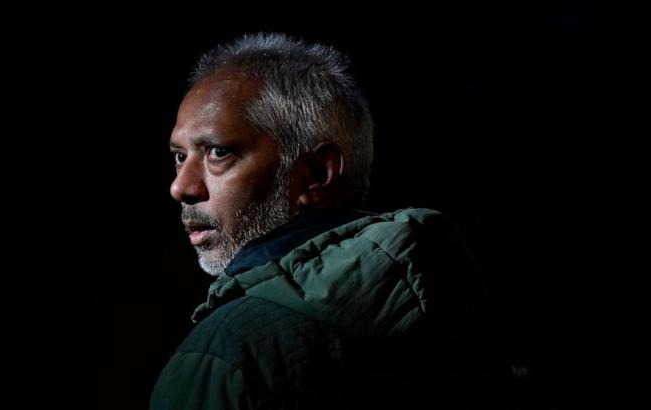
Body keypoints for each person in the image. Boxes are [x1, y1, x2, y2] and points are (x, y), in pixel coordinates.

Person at [151, 33, 502, 409]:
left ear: (317, 174)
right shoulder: (472, 319)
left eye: (219, 152)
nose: (180, 187)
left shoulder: (226, 351)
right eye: (178, 157)